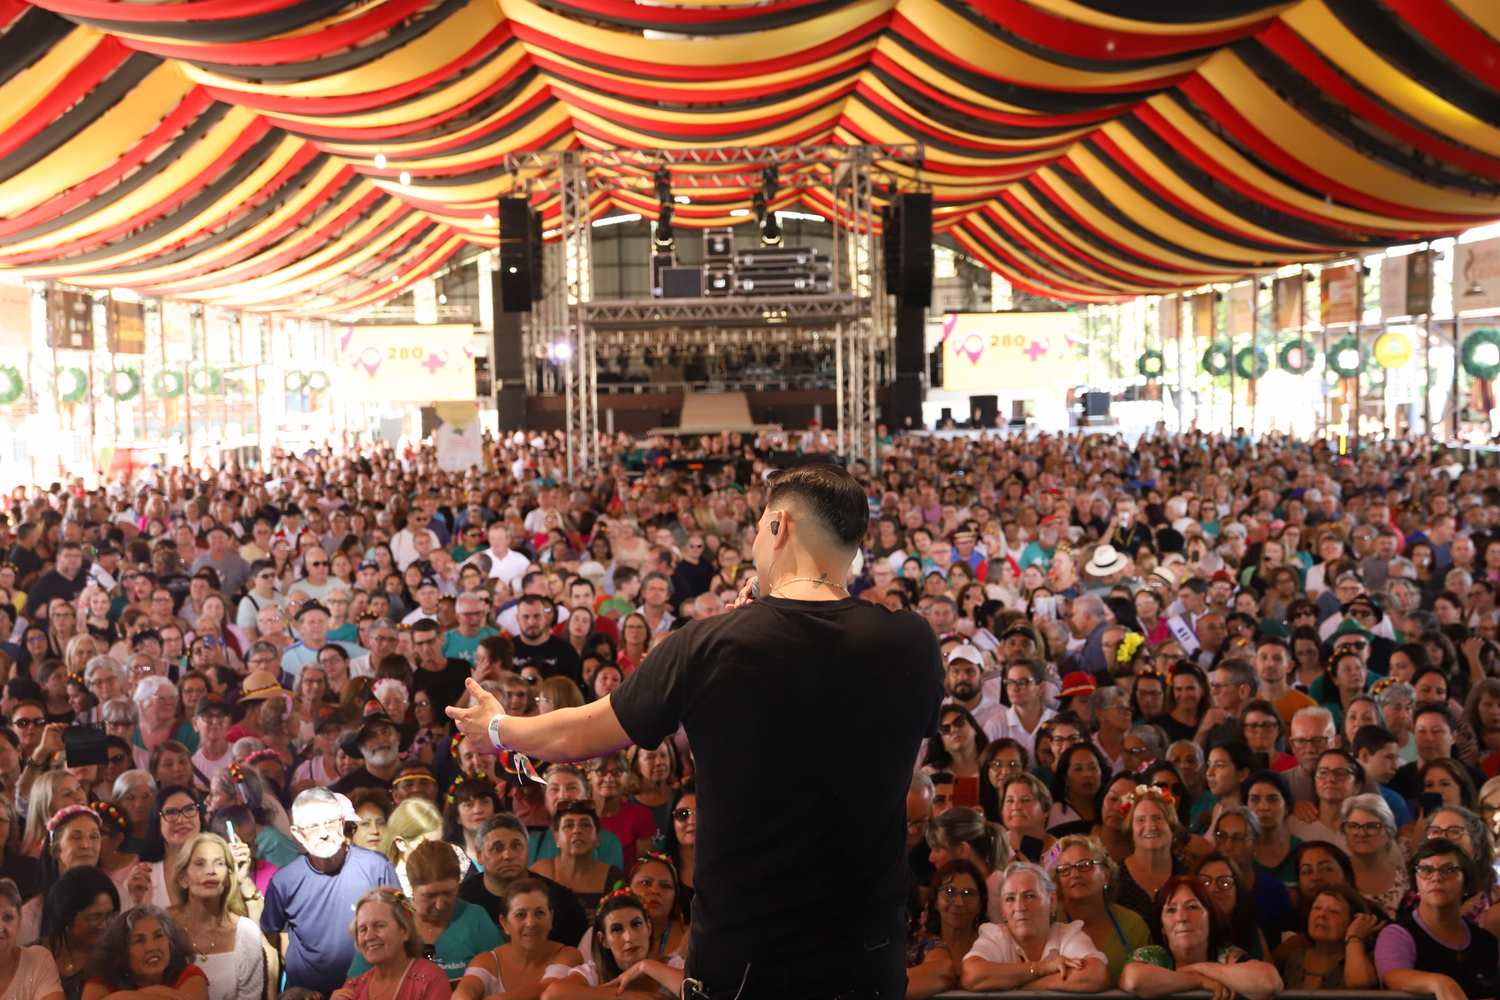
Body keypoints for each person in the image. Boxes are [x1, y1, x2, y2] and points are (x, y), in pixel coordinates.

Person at [449, 464, 944, 999]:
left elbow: (575, 737)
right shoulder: (912, 642)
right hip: (866, 951)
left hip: (748, 954)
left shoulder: (708, 644)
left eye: (756, 527)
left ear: (778, 527)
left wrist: (496, 727)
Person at [262, 788, 400, 996]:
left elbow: (401, 925)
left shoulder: (376, 867)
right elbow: (271, 937)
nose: (324, 833)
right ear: (297, 833)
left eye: (330, 822)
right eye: (312, 826)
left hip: (370, 992)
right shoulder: (285, 881)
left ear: (342, 823)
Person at [348, 839, 499, 985]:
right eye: (429, 896)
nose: (440, 905)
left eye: (449, 893)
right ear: (411, 888)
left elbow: (501, 976)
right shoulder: (389, 919)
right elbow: (354, 986)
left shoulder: (474, 918)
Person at [1118, 876, 1282, 1000]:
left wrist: (1200, 967)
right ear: (1162, 927)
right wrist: (1199, 982)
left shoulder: (1228, 956)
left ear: (1210, 918)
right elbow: (1133, 979)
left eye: (1192, 907)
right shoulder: (1154, 955)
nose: (1182, 917)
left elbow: (1269, 982)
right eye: (1171, 910)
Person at [1375, 839, 1500, 1000]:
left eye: (1448, 870)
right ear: (1416, 884)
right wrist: (1440, 982)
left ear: (1466, 885)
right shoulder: (1398, 934)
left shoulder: (1486, 941)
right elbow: (1391, 977)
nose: (1436, 877)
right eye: (1426, 870)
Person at [958, 860, 1108, 993]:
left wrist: (1027, 986)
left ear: (1052, 901)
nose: (1019, 907)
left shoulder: (1068, 935)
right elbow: (972, 975)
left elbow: (1096, 974)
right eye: (1010, 899)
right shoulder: (995, 936)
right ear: (1002, 909)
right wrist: (1043, 968)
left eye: (1029, 896)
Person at [458, 814, 589, 946]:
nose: (508, 855)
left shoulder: (560, 900)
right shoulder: (461, 900)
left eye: (516, 846)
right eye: (498, 848)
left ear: (528, 849)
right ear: (479, 855)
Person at [166, 833, 266, 1000]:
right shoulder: (163, 926)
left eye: (219, 863)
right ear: (183, 877)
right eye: (200, 864)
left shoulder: (246, 932)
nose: (210, 871)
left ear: (228, 877)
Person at [537, 890, 684, 998]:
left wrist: (645, 966)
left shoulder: (672, 966)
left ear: (649, 927)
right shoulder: (594, 972)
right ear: (604, 940)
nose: (629, 937)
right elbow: (551, 995)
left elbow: (698, 994)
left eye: (636, 924)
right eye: (617, 929)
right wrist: (629, 997)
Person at [453, 878, 582, 1000]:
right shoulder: (488, 961)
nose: (531, 923)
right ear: (505, 923)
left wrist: (499, 998)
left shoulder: (568, 955)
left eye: (540, 913)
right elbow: (464, 991)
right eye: (520, 915)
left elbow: (548, 989)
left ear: (551, 919)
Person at [1050, 835, 1151, 986]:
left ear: (1106, 875)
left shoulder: (1132, 924)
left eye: (1085, 865)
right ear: (1059, 882)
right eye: (1065, 869)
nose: (1075, 874)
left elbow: (1149, 980)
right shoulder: (1048, 922)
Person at [335, 886, 451, 1000]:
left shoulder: (430, 980)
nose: (369, 937)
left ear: (405, 930)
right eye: (363, 929)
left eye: (379, 926)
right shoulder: (352, 989)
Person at [79, 905, 207, 1000]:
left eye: (158, 936)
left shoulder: (190, 976)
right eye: (139, 940)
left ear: (171, 941)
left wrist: (120, 997)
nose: (151, 947)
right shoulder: (102, 983)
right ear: (122, 952)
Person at [529, 802, 624, 922]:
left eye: (585, 825)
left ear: (598, 838)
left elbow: (624, 918)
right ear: (557, 838)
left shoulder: (613, 878)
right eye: (568, 825)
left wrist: (605, 920)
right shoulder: (539, 872)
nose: (577, 830)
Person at [1276, 883, 1383, 990]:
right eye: (1317, 908)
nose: (1321, 914)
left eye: (1334, 911)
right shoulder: (1296, 958)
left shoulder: (1366, 961)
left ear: (1353, 922)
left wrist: (1354, 937)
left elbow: (1359, 985)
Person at [40, 865, 118, 1000]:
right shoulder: (33, 957)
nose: (104, 925)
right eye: (94, 918)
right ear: (66, 915)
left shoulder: (117, 959)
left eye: (110, 915)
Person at [627, 854, 688, 961]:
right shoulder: (604, 934)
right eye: (646, 883)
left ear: (675, 896)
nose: (655, 890)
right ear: (627, 888)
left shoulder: (692, 938)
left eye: (665, 886)